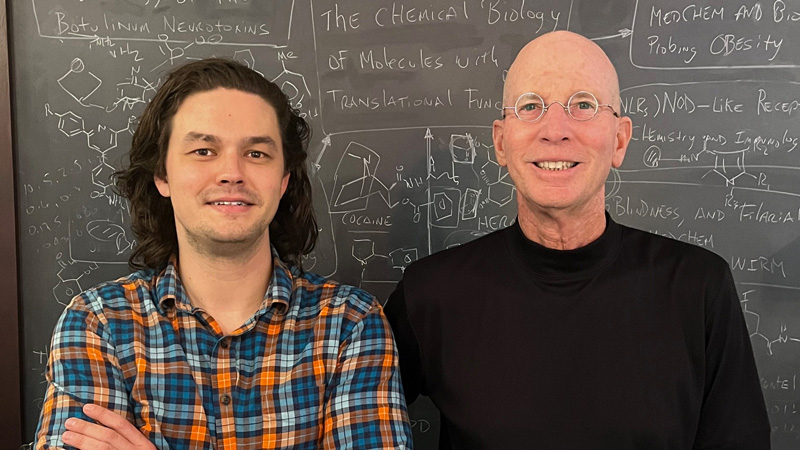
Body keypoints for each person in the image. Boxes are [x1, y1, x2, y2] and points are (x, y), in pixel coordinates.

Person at [384, 31, 770, 449]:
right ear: (500, 141)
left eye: (582, 105)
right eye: (531, 106)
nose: (555, 130)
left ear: (620, 140)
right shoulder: (431, 295)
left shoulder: (698, 289)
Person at [35, 58, 412, 449]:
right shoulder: (100, 324)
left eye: (256, 154)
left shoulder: (349, 325)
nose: (231, 172)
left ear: (283, 180)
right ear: (162, 175)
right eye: (203, 151)